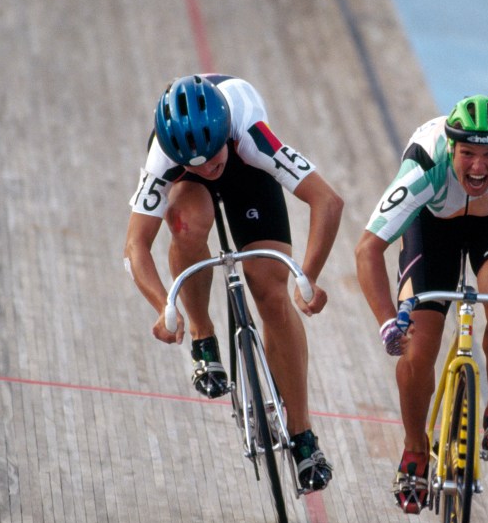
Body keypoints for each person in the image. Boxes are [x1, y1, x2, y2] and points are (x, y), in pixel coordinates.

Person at [124, 74, 343, 492]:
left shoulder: (248, 133)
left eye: (212, 155)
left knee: (270, 292)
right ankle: (204, 337)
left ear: (225, 132)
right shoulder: (164, 157)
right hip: (192, 192)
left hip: (248, 174)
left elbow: (328, 201)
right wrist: (161, 308)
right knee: (185, 227)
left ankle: (302, 437)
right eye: (197, 162)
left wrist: (308, 277)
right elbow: (136, 246)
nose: (209, 166)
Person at [354, 94, 488, 513]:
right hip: (432, 228)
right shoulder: (423, 166)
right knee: (417, 348)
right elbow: (367, 250)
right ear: (452, 148)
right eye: (468, 153)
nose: (479, 166)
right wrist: (386, 323)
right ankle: (415, 451)